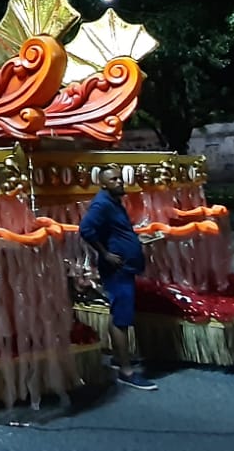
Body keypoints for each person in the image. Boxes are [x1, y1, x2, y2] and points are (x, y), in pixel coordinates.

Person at [78, 167, 158, 391]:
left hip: (126, 266)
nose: (119, 182)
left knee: (123, 314)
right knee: (120, 319)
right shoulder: (102, 203)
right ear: (103, 184)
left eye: (119, 178)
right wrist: (105, 254)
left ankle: (119, 358)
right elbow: (86, 229)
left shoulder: (113, 201)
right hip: (117, 270)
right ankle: (126, 371)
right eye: (113, 179)